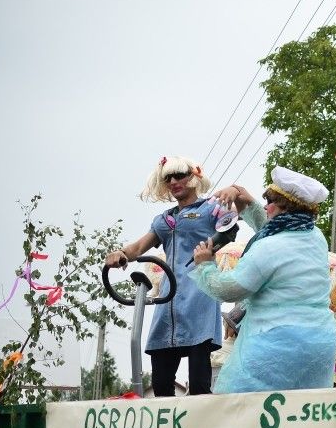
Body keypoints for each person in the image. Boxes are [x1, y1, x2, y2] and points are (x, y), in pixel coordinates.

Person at [104, 156, 263, 396]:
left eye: (180, 175)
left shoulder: (211, 207)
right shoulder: (164, 220)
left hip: (200, 296)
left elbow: (243, 206)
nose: (175, 181)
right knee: (160, 385)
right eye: (169, 178)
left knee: (199, 385)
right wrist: (119, 253)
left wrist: (234, 189)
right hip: (168, 301)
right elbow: (137, 249)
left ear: (194, 177)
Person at [189, 166, 336, 393]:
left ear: (286, 208)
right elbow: (272, 226)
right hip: (320, 343)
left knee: (244, 412)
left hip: (277, 343)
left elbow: (229, 290)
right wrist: (243, 198)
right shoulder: (315, 237)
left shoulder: (268, 248)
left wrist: (205, 266)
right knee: (303, 419)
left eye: (270, 202)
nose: (266, 206)